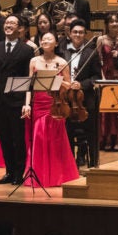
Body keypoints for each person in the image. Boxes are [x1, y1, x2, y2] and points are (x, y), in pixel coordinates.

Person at [0, 13, 34, 185]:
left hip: (16, 100)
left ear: (19, 29)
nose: (8, 25)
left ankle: (19, 173)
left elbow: (28, 78)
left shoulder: (26, 50)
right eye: (6, 22)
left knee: (17, 139)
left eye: (12, 23)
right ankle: (9, 172)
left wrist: (26, 102)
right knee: (4, 138)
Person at [22, 32, 79, 187]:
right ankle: (40, 175)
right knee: (39, 137)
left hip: (56, 104)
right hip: (38, 104)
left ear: (56, 43)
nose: (45, 41)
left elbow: (68, 85)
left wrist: (60, 80)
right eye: (43, 39)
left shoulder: (62, 62)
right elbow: (29, 86)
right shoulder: (34, 61)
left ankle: (57, 176)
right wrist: (27, 104)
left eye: (49, 39)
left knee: (55, 140)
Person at [59, 18, 102, 168]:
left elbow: (97, 77)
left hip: (86, 100)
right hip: (66, 100)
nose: (78, 35)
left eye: (81, 32)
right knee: (68, 134)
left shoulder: (92, 53)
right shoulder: (62, 51)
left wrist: (82, 85)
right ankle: (70, 167)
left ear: (85, 34)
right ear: (70, 34)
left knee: (91, 134)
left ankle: (93, 165)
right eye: (75, 32)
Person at [97, 12, 118, 152]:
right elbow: (98, 60)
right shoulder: (101, 39)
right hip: (107, 76)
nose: (114, 24)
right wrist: (102, 78)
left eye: (117, 21)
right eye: (111, 21)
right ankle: (107, 138)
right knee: (107, 110)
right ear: (107, 24)